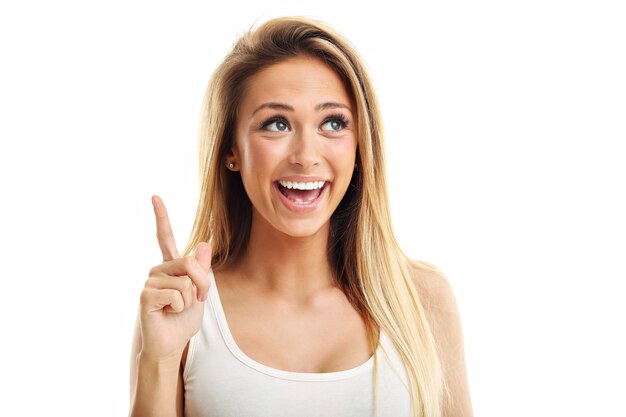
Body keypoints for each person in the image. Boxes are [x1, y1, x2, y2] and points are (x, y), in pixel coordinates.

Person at [129, 16, 472, 417]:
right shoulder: (186, 309)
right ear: (230, 151)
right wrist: (162, 360)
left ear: (361, 144)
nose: (306, 156)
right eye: (276, 124)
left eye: (332, 123)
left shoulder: (422, 301)